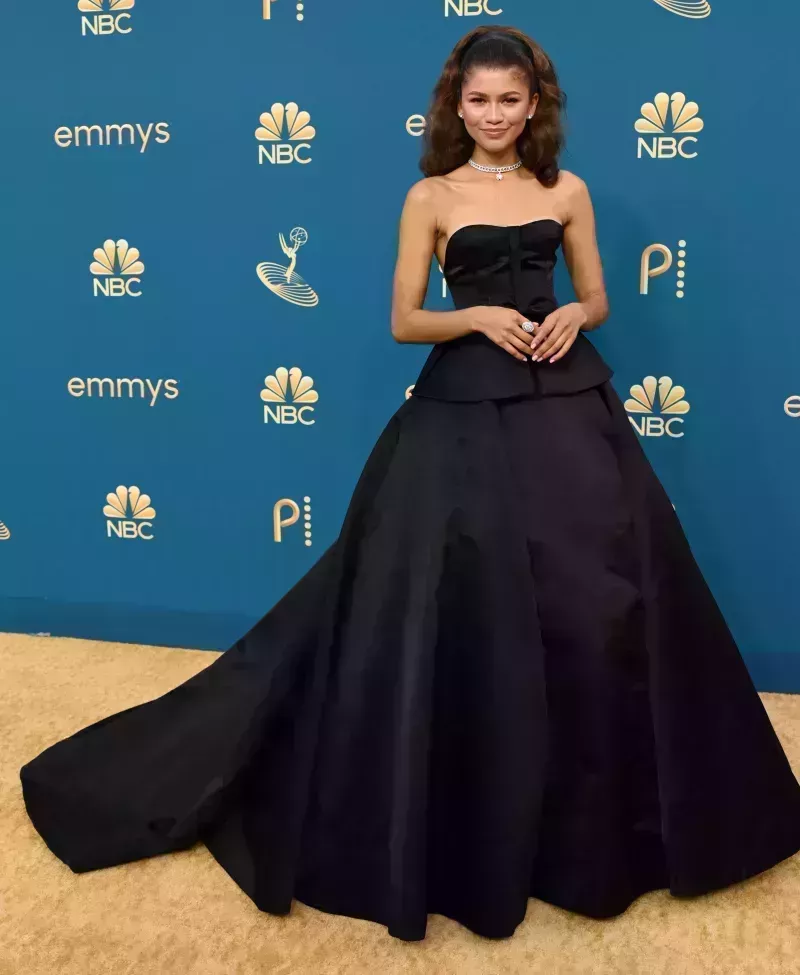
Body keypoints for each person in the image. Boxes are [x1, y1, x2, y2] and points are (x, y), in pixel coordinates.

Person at [19, 25, 800, 943]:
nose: (495, 115)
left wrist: (570, 320)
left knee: (601, 599)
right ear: (455, 106)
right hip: (462, 408)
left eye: (511, 100)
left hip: (565, 398)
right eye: (479, 101)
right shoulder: (429, 195)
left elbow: (598, 297)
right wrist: (473, 315)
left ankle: (600, 829)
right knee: (458, 600)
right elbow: (402, 319)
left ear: (535, 105)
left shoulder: (569, 190)